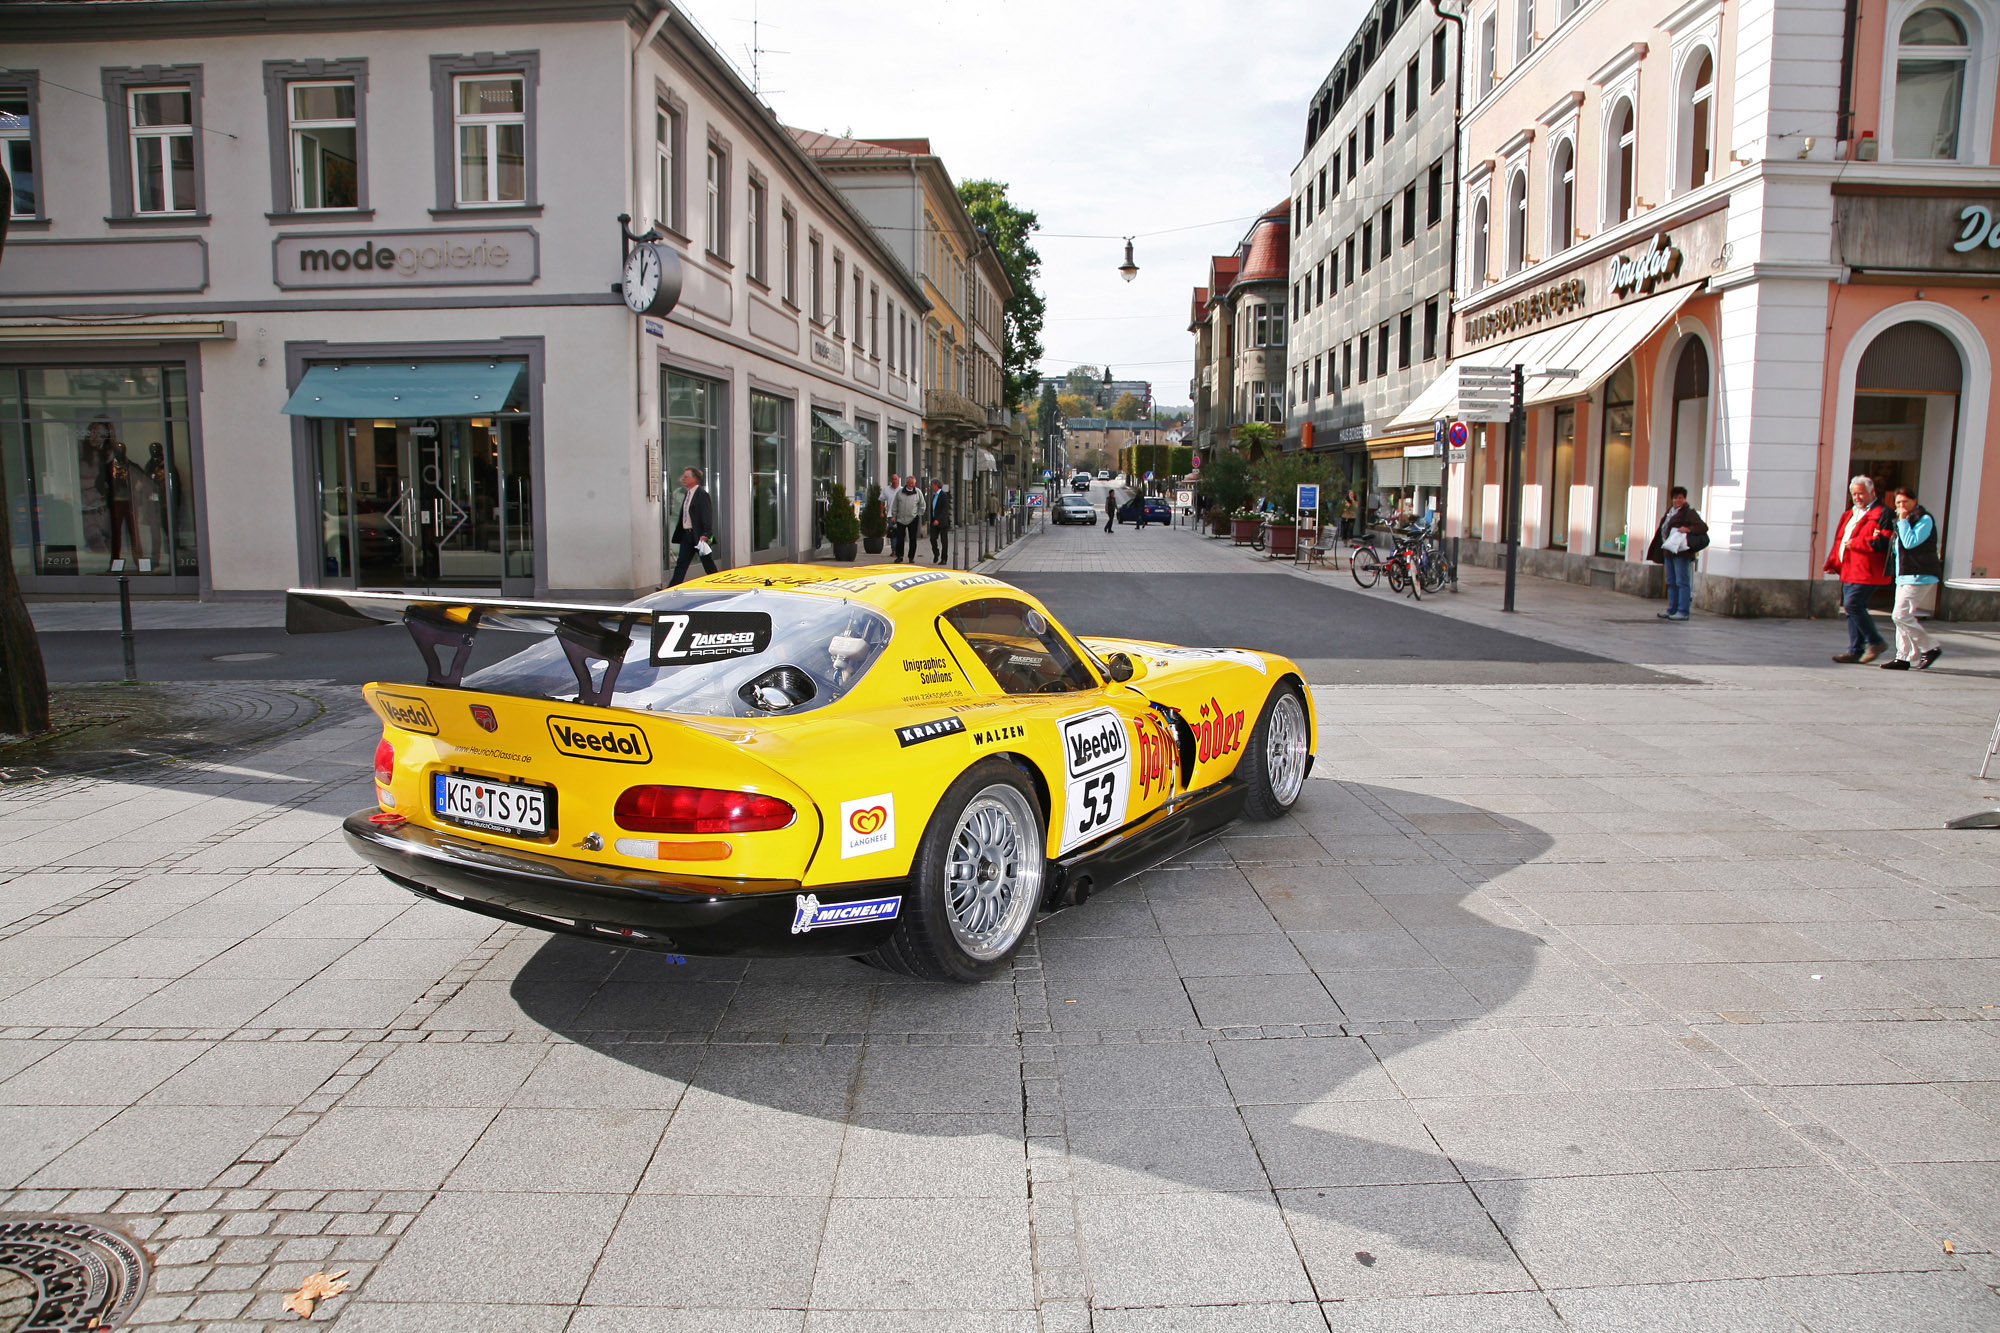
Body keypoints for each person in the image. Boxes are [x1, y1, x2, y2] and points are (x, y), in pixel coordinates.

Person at [1822, 475, 1892, 663]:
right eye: (1854, 494)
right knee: (1850, 609)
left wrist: (1858, 543)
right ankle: (1855, 650)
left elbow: (1885, 542)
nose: (1857, 497)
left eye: (1861, 493)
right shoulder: (1850, 513)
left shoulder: (1884, 513)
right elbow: (1840, 541)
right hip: (1850, 568)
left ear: (1872, 492)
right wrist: (1833, 563)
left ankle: (1875, 641)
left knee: (1853, 605)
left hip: (1868, 570)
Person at [1880, 486, 1944, 671]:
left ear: (1914, 501)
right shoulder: (1905, 521)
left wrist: (1901, 521)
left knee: (1900, 615)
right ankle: (1903, 657)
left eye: (1905, 502)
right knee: (1900, 618)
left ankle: (1930, 647)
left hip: (1920, 574)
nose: (1901, 506)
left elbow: (1910, 542)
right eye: (1898, 502)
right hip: (1904, 575)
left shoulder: (1924, 519)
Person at [1645, 485, 1709, 621]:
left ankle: (1683, 611)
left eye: (1680, 498)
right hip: (1668, 551)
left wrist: (1689, 529)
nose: (1678, 500)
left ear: (1684, 498)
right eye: (1675, 498)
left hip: (1681, 553)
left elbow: (1703, 527)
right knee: (1671, 581)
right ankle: (1671, 608)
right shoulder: (1670, 512)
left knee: (1682, 581)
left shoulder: (1689, 512)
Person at [667, 466, 716, 586]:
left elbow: (707, 515)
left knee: (708, 564)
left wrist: (706, 534)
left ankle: (719, 584)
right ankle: (671, 588)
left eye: (686, 477)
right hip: (687, 535)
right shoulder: (688, 494)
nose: (683, 479)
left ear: (695, 479)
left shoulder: (701, 495)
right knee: (681, 564)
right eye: (683, 476)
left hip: (699, 536)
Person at [889, 474, 923, 562]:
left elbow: (922, 505)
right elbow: (895, 504)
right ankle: (899, 556)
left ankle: (911, 557)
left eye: (912, 484)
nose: (911, 485)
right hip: (901, 519)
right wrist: (894, 515)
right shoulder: (900, 492)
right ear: (906, 483)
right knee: (900, 538)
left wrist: (918, 514)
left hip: (913, 519)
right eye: (909, 483)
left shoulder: (918, 492)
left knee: (913, 539)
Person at [928, 479, 951, 562]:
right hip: (934, 521)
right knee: (932, 539)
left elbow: (944, 510)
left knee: (944, 541)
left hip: (942, 522)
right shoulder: (934, 496)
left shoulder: (943, 495)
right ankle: (936, 553)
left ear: (936, 485)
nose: (931, 487)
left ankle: (944, 558)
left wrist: (938, 519)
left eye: (932, 485)